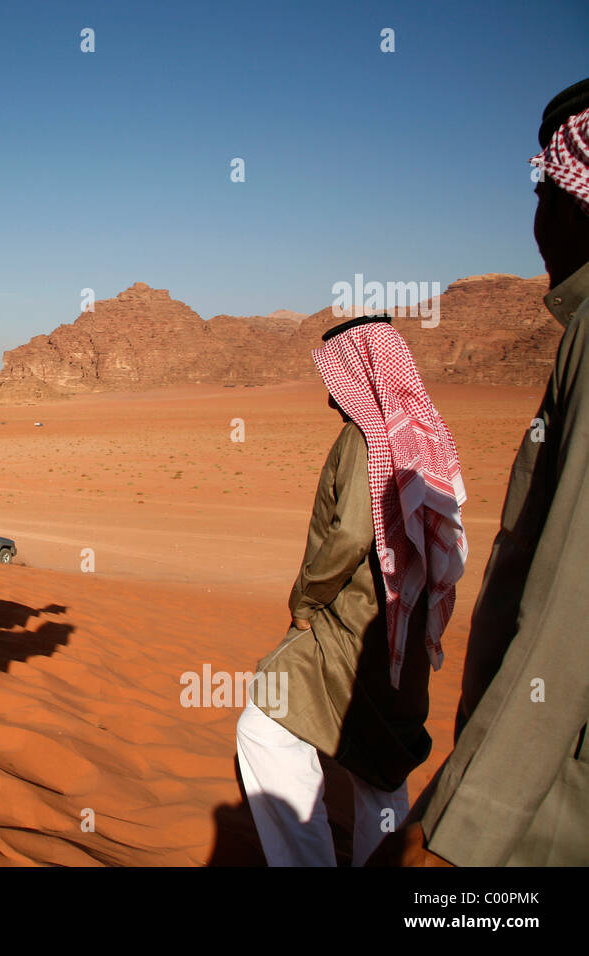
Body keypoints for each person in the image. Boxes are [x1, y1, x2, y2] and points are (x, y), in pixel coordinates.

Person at [374, 78, 589, 867]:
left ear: (570, 203)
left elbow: (570, 609)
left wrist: (463, 830)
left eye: (543, 193)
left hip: (549, 801)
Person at [236, 315, 467, 865]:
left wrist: (306, 599)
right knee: (381, 766)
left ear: (360, 371)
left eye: (336, 376)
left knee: (265, 722)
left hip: (352, 624)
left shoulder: (364, 437)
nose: (330, 394)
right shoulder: (415, 430)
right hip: (402, 630)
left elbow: (352, 533)